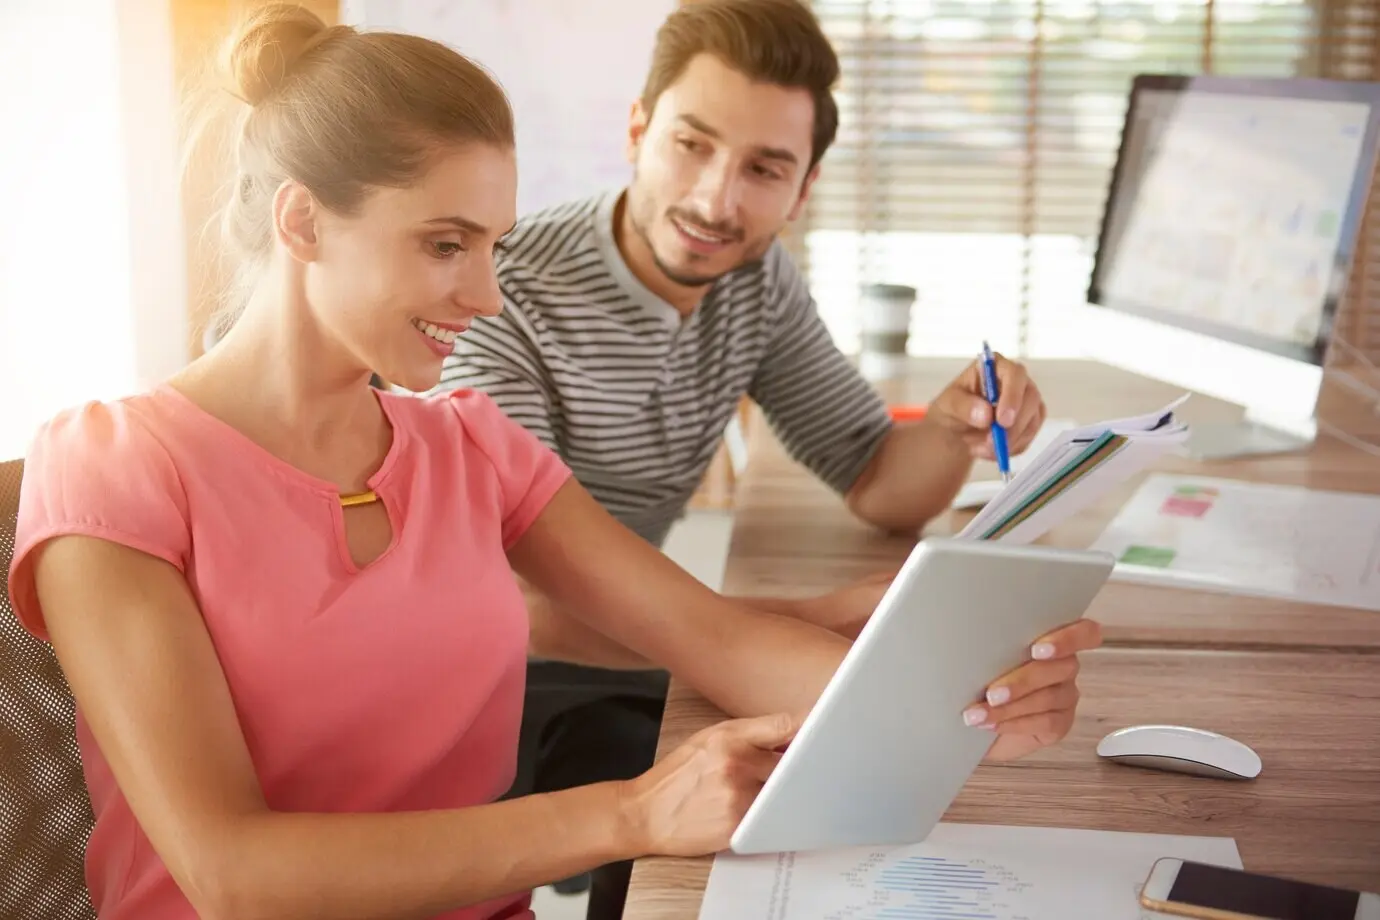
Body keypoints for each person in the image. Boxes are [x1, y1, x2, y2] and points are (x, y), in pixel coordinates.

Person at [6, 5, 1099, 920]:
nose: (485, 294)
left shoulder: (470, 442)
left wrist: (975, 702)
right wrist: (634, 809)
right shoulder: (114, 466)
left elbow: (709, 636)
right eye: (446, 243)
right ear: (301, 221)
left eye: (492, 244)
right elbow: (232, 871)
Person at [433, 0, 1052, 912]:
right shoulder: (502, 296)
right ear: (638, 129)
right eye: (692, 143)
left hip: (633, 640)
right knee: (757, 795)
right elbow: (521, 609)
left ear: (801, 191)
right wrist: (808, 615)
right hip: (491, 681)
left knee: (845, 798)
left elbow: (881, 483)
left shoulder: (755, 280)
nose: (717, 199)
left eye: (764, 168)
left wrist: (957, 428)